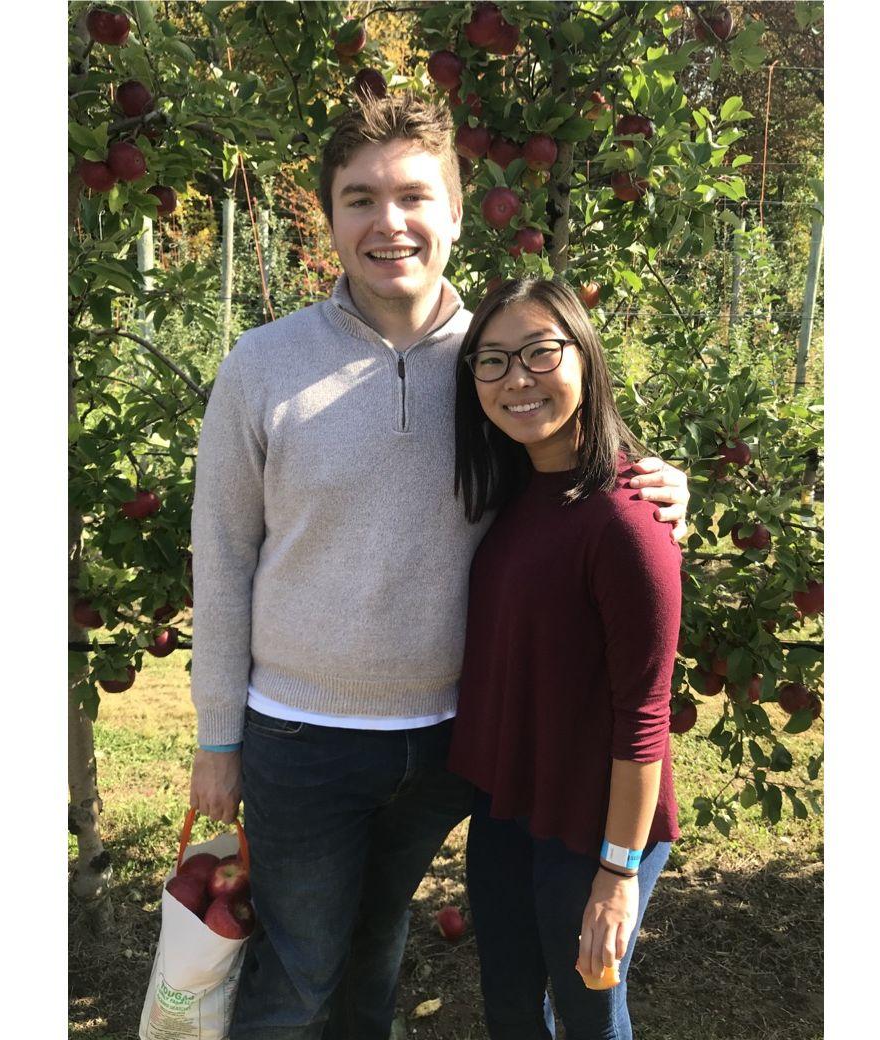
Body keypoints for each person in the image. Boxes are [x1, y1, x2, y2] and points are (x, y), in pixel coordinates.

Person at [188, 92, 690, 1040]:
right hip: (302, 735)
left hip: (457, 743)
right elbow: (221, 553)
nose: (390, 223)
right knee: (296, 974)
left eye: (414, 196)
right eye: (360, 198)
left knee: (377, 952)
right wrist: (219, 735)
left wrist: (665, 486)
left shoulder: (499, 359)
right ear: (329, 216)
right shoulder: (263, 367)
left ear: (457, 211)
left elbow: (578, 478)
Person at [448, 276, 683, 1040]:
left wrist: (616, 877)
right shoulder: (515, 487)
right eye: (492, 360)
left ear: (585, 356)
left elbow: (644, 718)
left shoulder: (625, 520)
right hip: (511, 809)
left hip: (594, 825)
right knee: (511, 1006)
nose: (517, 377)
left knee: (587, 1015)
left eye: (540, 352)